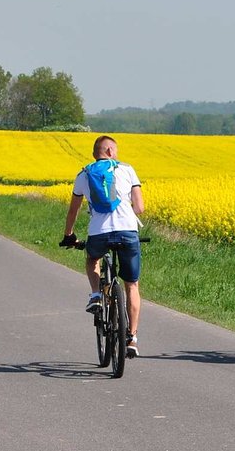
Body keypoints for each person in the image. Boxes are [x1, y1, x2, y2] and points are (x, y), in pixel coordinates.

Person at [61, 135, 145, 358]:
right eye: (115, 151)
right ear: (109, 151)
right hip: (127, 231)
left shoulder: (84, 174)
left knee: (92, 259)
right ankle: (132, 338)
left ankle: (96, 294)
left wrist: (69, 235)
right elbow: (140, 207)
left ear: (95, 154)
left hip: (98, 232)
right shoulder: (127, 169)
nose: (116, 154)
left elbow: (73, 211)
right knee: (132, 285)